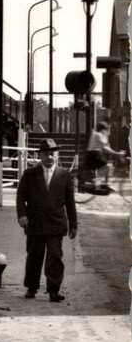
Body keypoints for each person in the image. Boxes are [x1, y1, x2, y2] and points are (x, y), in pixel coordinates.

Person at [15, 137, 77, 301]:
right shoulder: (29, 174)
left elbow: (70, 202)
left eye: (52, 154)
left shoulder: (64, 175)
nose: (49, 157)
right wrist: (22, 215)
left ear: (57, 155)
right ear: (40, 156)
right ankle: (31, 288)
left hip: (56, 223)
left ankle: (54, 290)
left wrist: (74, 225)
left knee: (55, 257)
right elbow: (20, 196)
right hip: (35, 223)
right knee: (34, 256)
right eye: (45, 154)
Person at [82, 121, 125, 193]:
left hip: (90, 154)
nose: (107, 131)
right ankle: (102, 182)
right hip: (95, 154)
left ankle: (100, 182)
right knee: (109, 167)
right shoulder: (99, 135)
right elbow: (106, 147)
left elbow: (105, 147)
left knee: (105, 168)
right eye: (106, 129)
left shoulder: (95, 134)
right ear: (102, 129)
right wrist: (117, 153)